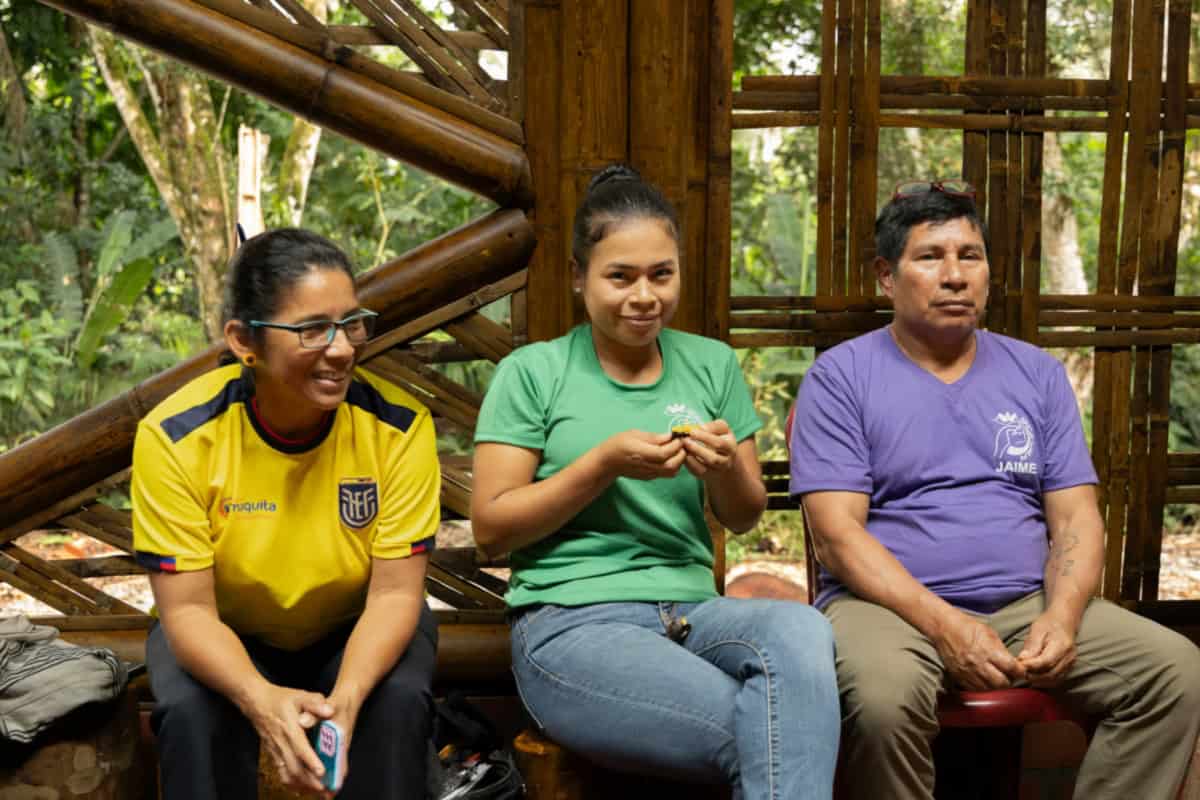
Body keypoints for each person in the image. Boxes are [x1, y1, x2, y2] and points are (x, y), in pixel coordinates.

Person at [790, 180, 1200, 800]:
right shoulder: (841, 378)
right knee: (882, 699)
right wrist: (946, 625)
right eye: (930, 257)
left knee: (1174, 673)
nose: (954, 276)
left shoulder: (1035, 374)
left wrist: (1062, 617)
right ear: (885, 275)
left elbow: (1077, 519)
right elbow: (836, 537)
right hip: (887, 610)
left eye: (970, 256)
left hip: (1024, 605)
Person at [471, 164, 841, 800]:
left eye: (660, 274)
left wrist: (725, 469)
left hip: (693, 611)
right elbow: (491, 528)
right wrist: (601, 464)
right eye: (620, 276)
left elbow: (746, 513)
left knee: (803, 629)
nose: (644, 296)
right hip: (570, 621)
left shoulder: (710, 363)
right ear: (578, 278)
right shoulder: (534, 372)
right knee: (776, 732)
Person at [131, 228, 440, 800]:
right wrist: (259, 698)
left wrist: (345, 702)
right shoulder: (176, 438)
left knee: (395, 701)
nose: (343, 347)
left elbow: (397, 595)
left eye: (351, 323)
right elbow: (191, 610)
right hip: (223, 630)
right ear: (244, 340)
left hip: (354, 627)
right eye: (312, 329)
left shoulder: (398, 430)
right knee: (188, 712)